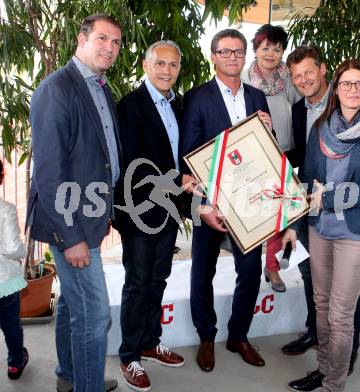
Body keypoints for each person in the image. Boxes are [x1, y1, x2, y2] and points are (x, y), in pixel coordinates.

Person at [280, 46, 360, 385]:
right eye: (346, 84)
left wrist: (325, 198)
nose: (352, 90)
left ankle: (334, 381)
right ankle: (324, 368)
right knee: (321, 306)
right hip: (320, 229)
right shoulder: (321, 127)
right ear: (336, 88)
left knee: (340, 313)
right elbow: (307, 182)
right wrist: (296, 223)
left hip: (357, 231)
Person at [27, 13, 122, 392]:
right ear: (81, 40)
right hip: (71, 225)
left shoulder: (99, 86)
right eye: (102, 39)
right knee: (95, 317)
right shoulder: (57, 89)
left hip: (89, 215)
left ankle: (69, 377)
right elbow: (49, 175)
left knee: (70, 304)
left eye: (116, 43)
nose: (110, 48)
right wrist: (71, 237)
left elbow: (98, 156)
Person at [181, 29, 272, 372]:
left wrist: (269, 129)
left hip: (249, 201)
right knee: (203, 271)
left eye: (238, 52)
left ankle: (238, 335)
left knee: (250, 270)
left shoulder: (257, 97)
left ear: (245, 56)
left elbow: (266, 151)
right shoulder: (197, 97)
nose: (232, 57)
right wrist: (202, 204)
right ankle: (207, 336)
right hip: (209, 201)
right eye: (225, 52)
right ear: (213, 56)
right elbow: (188, 153)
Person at [113, 40, 185, 392]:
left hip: (169, 211)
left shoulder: (178, 105)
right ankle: (129, 355)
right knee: (138, 283)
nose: (166, 70)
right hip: (139, 211)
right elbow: (131, 168)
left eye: (173, 65)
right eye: (160, 63)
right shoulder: (130, 106)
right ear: (145, 65)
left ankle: (149, 340)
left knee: (158, 279)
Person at [242, 24, 301, 292]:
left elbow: (304, 105)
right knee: (257, 212)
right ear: (256, 49)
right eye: (265, 47)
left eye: (277, 48)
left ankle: (272, 266)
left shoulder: (288, 77)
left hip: (284, 151)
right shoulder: (242, 76)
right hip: (253, 153)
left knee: (282, 212)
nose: (270, 53)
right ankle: (249, 269)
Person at [0, 161, 28, 380]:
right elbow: (11, 248)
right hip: (5, 281)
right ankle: (15, 363)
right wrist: (23, 250)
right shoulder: (6, 209)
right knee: (11, 325)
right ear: (1, 177)